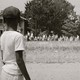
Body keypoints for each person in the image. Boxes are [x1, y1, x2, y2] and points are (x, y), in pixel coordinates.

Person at [0, 6, 31, 80]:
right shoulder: (18, 36)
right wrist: (27, 78)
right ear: (18, 20)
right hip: (15, 73)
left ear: (4, 20)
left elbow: (2, 57)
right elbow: (19, 60)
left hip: (5, 71)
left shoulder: (3, 35)